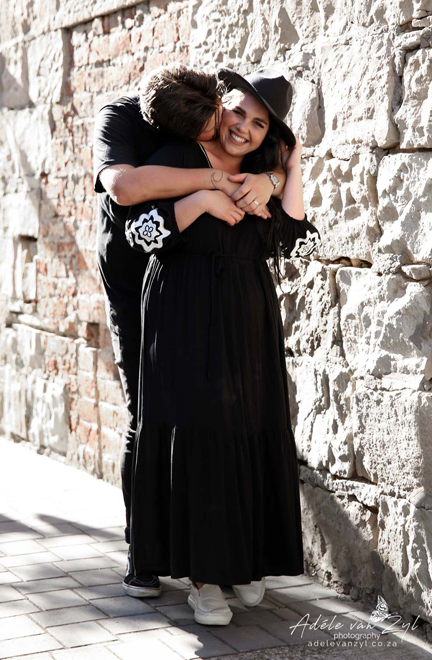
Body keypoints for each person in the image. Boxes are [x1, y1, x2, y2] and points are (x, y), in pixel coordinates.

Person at [125, 69, 320, 626]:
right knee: (198, 433)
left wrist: (288, 171)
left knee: (251, 426)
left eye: (259, 124)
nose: (244, 128)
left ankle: (246, 560)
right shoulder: (178, 155)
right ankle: (205, 580)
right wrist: (203, 200)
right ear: (220, 104)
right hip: (180, 308)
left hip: (246, 312)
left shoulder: (264, 173)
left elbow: (295, 241)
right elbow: (138, 235)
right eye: (239, 111)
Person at [93, 64, 288, 598]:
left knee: (213, 416)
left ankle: (224, 555)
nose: (224, 133)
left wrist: (270, 179)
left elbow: (279, 153)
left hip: (193, 275)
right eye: (212, 130)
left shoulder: (216, 115)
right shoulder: (122, 119)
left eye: (220, 123)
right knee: (146, 411)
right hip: (134, 277)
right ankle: (143, 553)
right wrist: (211, 184)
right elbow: (125, 189)